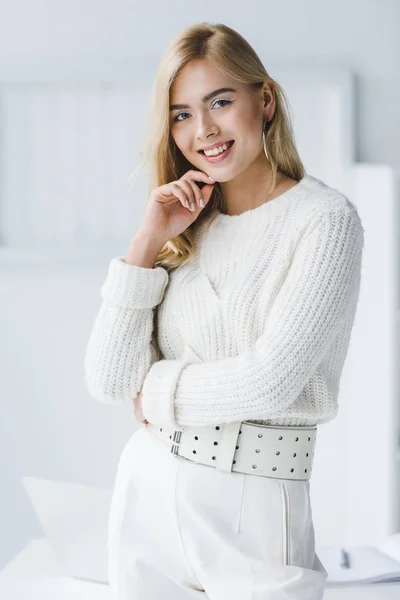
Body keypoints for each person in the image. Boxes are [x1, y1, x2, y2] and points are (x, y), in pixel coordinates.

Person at [84, 22, 364, 600]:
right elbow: (109, 381)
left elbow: (270, 380)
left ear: (264, 100)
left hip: (254, 500)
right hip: (148, 489)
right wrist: (144, 243)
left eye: (220, 101)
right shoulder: (184, 228)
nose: (203, 129)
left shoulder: (324, 221)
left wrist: (156, 394)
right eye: (182, 113)